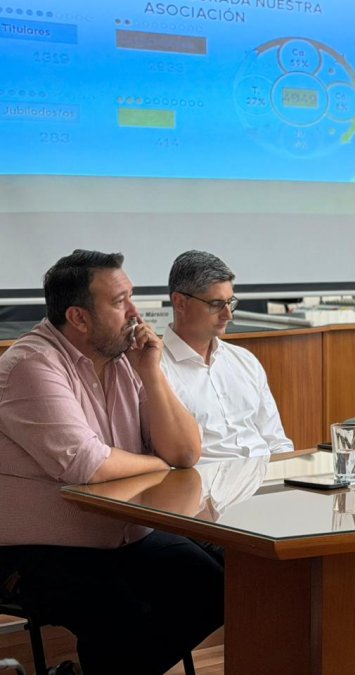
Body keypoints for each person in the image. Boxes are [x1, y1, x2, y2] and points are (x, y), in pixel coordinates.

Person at [0, 250, 223, 675]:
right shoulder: (31, 364)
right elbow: (89, 465)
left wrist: (152, 373)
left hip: (120, 535)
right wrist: (155, 461)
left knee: (216, 585)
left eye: (132, 297)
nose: (135, 313)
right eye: (120, 302)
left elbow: (185, 453)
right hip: (31, 550)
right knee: (117, 613)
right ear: (79, 318)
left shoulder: (129, 359)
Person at [161, 250, 294, 462]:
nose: (228, 315)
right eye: (216, 304)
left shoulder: (245, 361)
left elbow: (277, 442)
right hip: (207, 489)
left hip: (266, 479)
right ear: (180, 302)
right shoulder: (157, 369)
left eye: (230, 302)